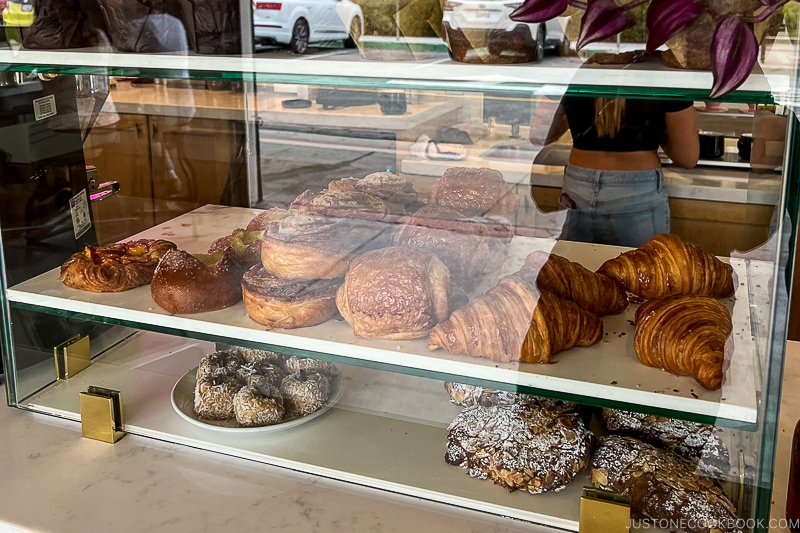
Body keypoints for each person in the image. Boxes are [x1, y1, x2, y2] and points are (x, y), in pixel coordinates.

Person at [536, 95, 699, 248]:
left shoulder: (575, 69)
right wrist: (661, 130)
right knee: (641, 274)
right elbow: (688, 157)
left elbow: (539, 135)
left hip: (577, 188)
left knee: (575, 275)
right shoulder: (663, 74)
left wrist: (573, 115)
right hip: (637, 189)